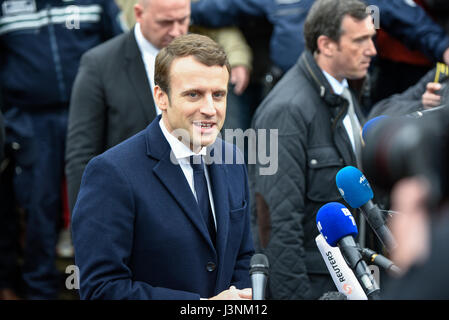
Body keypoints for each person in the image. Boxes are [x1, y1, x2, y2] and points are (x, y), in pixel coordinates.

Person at [71, 33, 254, 300]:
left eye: (218, 95)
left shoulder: (232, 159)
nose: (210, 108)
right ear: (161, 97)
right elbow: (101, 288)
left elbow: (243, 256)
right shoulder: (111, 173)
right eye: (194, 94)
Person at [66, 0, 253, 215]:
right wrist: (89, 222)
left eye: (183, 20)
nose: (176, 31)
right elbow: (81, 154)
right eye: (165, 22)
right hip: (130, 210)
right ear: (138, 13)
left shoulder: (204, 59)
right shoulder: (99, 65)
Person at [250, 0, 376, 299]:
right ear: (326, 45)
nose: (372, 49)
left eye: (371, 37)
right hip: (316, 286)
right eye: (360, 40)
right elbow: (275, 226)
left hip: (349, 278)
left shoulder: (343, 90)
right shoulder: (284, 112)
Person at [0, 0, 124, 299]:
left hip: (90, 113)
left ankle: (98, 285)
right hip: (29, 120)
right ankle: (39, 289)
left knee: (99, 202)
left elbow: (120, 51)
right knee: (39, 206)